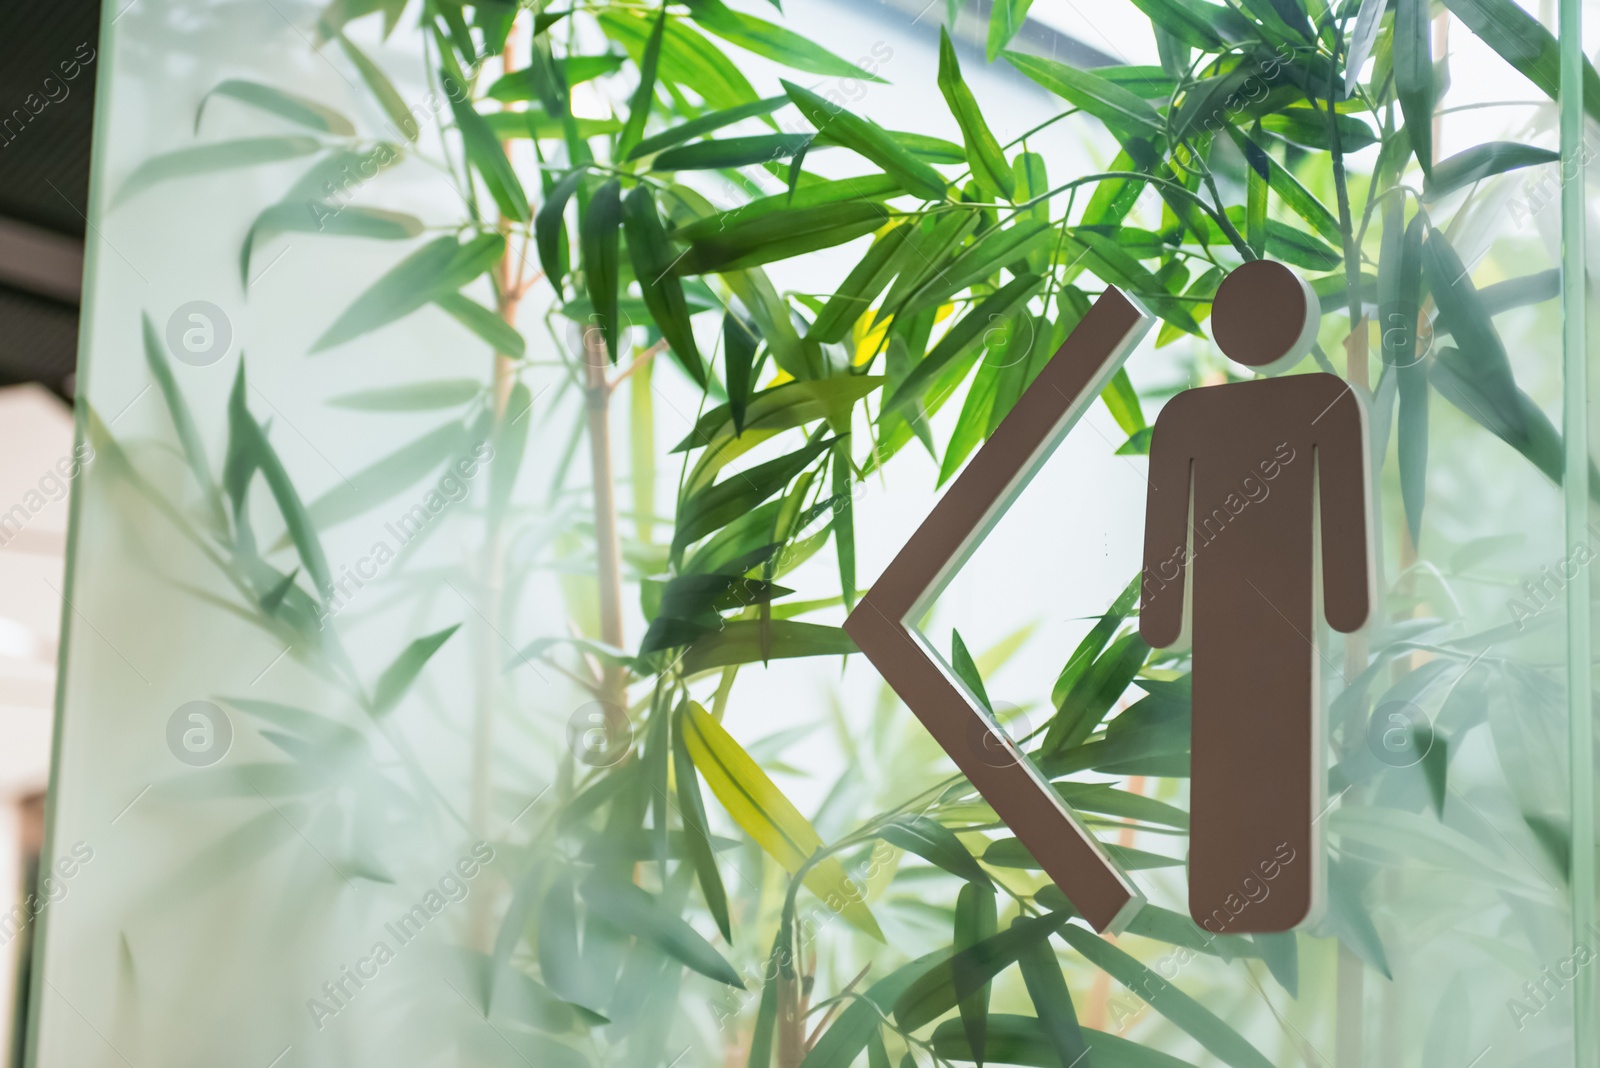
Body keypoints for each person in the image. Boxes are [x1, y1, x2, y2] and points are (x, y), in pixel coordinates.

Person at [1141, 259, 1374, 933]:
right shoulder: (1319, 402)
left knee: (1239, 745)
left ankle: (1246, 890)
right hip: (1276, 612)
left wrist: (1161, 616)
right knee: (1263, 745)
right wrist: (1347, 604)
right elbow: (1345, 523)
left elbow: (1163, 547)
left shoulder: (1190, 413)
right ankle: (1252, 890)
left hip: (1233, 614)